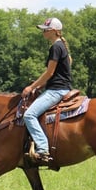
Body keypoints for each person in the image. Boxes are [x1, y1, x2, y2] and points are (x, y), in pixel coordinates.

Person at [21, 17, 72, 165]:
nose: (43, 31)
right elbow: (59, 70)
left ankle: (43, 148)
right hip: (59, 87)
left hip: (57, 90)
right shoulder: (61, 45)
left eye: (46, 29)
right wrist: (39, 85)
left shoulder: (56, 47)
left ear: (55, 31)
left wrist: (31, 87)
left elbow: (49, 73)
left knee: (29, 115)